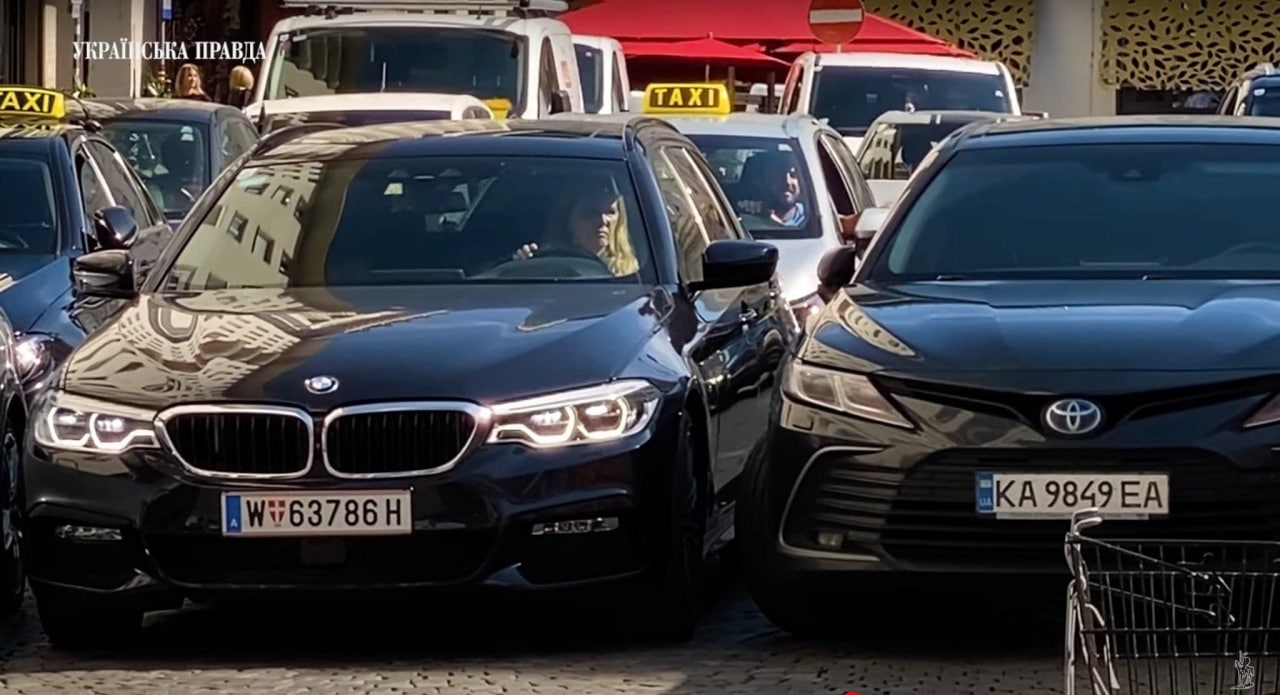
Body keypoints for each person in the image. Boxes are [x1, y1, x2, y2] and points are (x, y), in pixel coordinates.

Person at [512, 180, 640, 277]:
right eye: (591, 213)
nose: (602, 220)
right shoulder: (546, 264)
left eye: (610, 212)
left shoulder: (633, 274)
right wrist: (522, 269)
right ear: (568, 220)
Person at [737, 152, 807, 228]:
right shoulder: (751, 213)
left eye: (793, 175)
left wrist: (775, 222)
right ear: (765, 181)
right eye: (779, 174)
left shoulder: (810, 215)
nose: (787, 181)